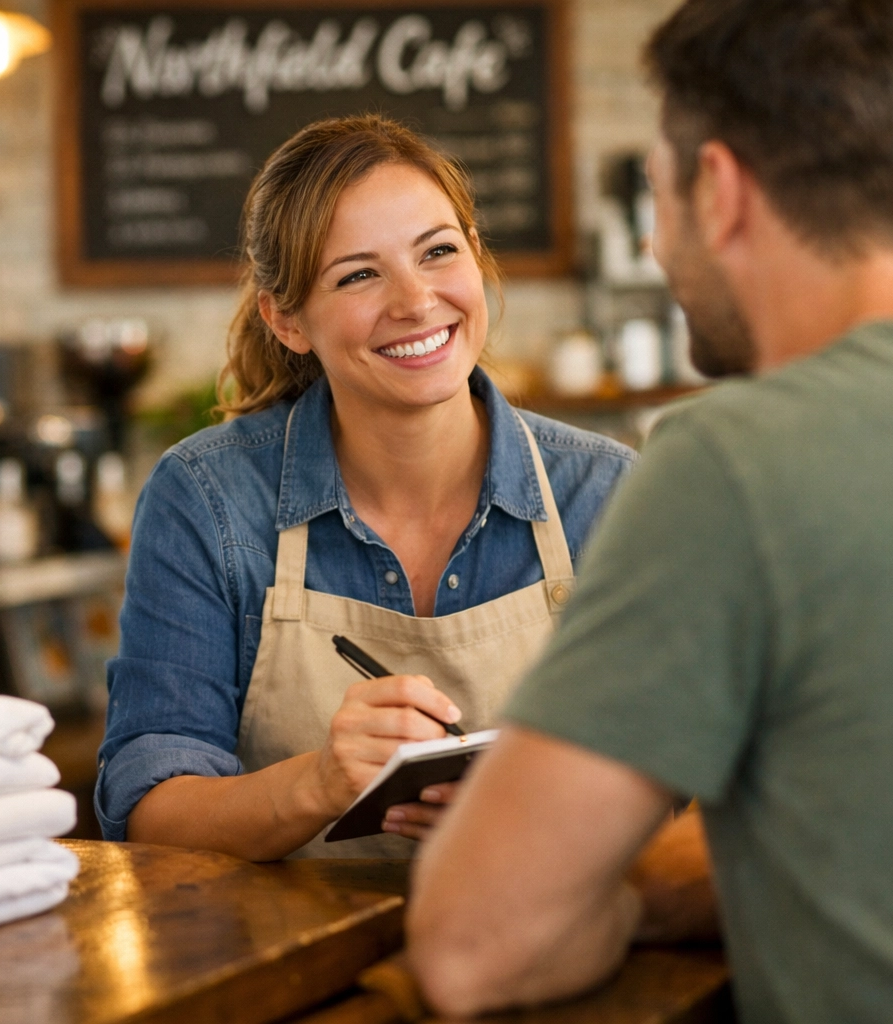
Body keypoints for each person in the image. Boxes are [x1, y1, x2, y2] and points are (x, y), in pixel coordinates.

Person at [404, 0, 893, 1020]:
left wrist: (624, 900)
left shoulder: (742, 457)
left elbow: (474, 945)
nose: (658, 245)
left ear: (721, 191)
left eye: (659, 197)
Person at [95, 114, 636, 861]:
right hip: (287, 963)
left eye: (438, 253)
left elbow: (693, 784)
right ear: (285, 319)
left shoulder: (609, 493)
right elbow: (149, 810)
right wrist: (317, 783)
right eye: (357, 274)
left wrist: (536, 815)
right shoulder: (206, 499)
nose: (415, 302)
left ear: (475, 258)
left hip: (550, 947)